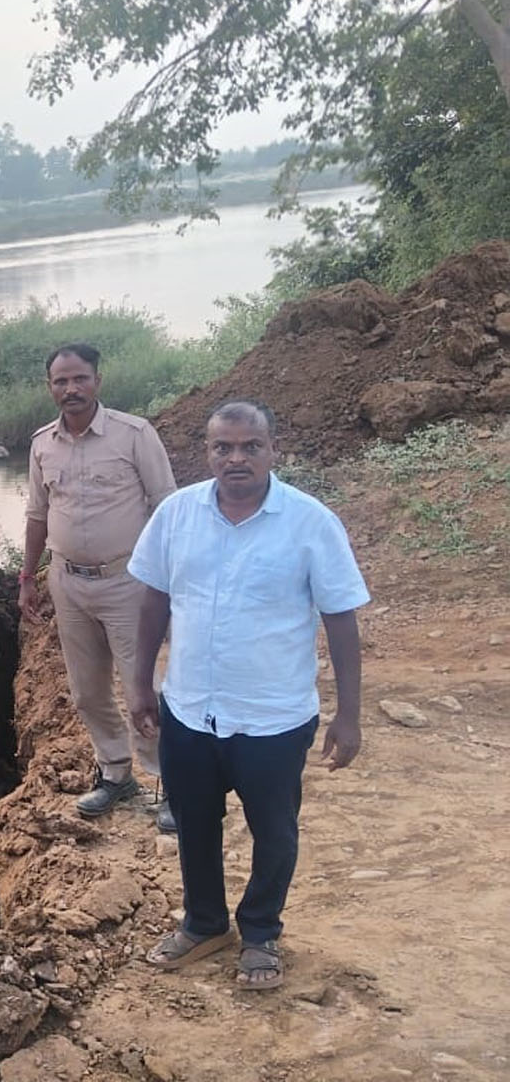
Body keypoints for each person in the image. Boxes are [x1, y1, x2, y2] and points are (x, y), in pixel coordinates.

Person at [126, 401, 367, 991]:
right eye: (223, 448)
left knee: (276, 831)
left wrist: (349, 715)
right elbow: (154, 601)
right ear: (207, 453)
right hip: (189, 709)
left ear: (272, 450)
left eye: (249, 446)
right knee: (194, 822)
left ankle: (260, 933)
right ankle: (205, 923)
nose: (236, 458)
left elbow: (340, 619)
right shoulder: (176, 515)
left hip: (274, 717)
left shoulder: (311, 523)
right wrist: (139, 683)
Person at [21, 343, 178, 829]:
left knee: (143, 690)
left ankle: (173, 784)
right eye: (61, 382)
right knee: (86, 691)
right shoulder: (42, 443)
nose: (71, 389)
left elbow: (167, 506)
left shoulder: (134, 435)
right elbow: (37, 515)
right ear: (50, 388)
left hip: (128, 582)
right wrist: (28, 576)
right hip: (67, 582)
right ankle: (115, 774)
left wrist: (171, 580)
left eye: (79, 379)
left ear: (97, 381)